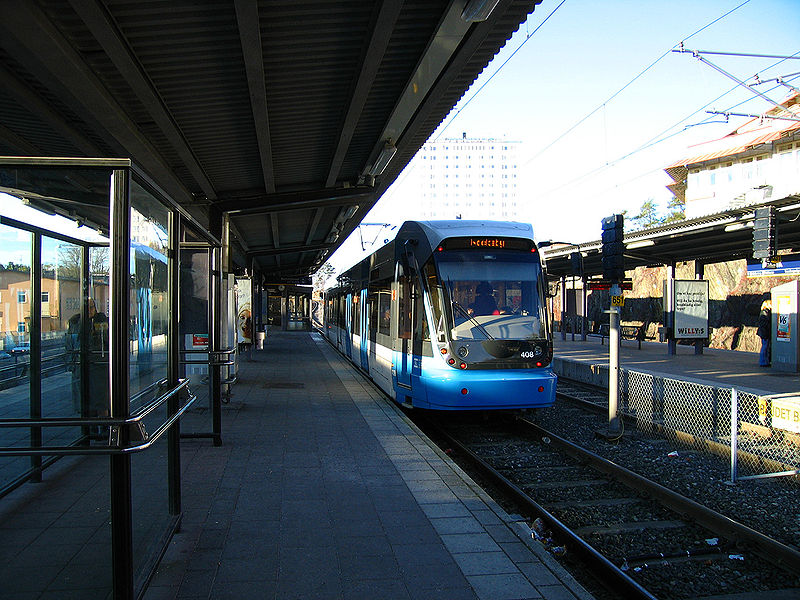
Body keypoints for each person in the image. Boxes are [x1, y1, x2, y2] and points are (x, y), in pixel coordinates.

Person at [66, 298, 110, 418]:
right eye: (86, 308)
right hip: (82, 367)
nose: (89, 311)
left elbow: (108, 342)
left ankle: (104, 428)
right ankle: (91, 429)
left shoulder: (102, 322)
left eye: (91, 307)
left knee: (101, 403)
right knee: (85, 403)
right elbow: (69, 343)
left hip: (99, 367)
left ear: (95, 308)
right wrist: (71, 364)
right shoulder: (75, 323)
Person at [757, 293, 771, 367]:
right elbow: (764, 323)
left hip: (763, 332)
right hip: (764, 332)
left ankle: (765, 361)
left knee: (765, 346)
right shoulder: (765, 312)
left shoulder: (764, 311)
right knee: (765, 346)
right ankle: (763, 362)